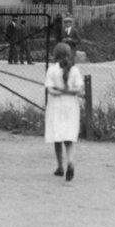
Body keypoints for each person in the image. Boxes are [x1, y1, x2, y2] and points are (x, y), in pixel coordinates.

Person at [45, 42, 85, 181]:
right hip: (70, 106)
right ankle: (71, 162)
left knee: (57, 136)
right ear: (69, 54)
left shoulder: (51, 70)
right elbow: (79, 90)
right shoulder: (74, 70)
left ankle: (60, 166)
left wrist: (60, 90)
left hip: (56, 106)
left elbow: (50, 90)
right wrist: (68, 90)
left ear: (55, 55)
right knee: (68, 137)